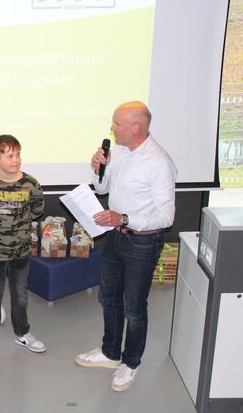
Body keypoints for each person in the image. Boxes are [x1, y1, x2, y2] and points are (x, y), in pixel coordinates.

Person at [75, 101, 177, 392]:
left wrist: (125, 218)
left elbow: (166, 216)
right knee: (109, 297)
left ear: (136, 127)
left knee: (134, 307)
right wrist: (99, 170)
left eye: (117, 124)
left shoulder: (159, 162)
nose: (112, 128)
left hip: (143, 241)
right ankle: (110, 353)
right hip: (116, 235)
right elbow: (103, 189)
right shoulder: (119, 152)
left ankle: (130, 362)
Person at [0, 135, 46, 363]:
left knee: (20, 295)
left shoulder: (31, 184)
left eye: (18, 154)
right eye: (10, 155)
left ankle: (22, 334)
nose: (16, 159)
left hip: (20, 252)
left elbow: (37, 211)